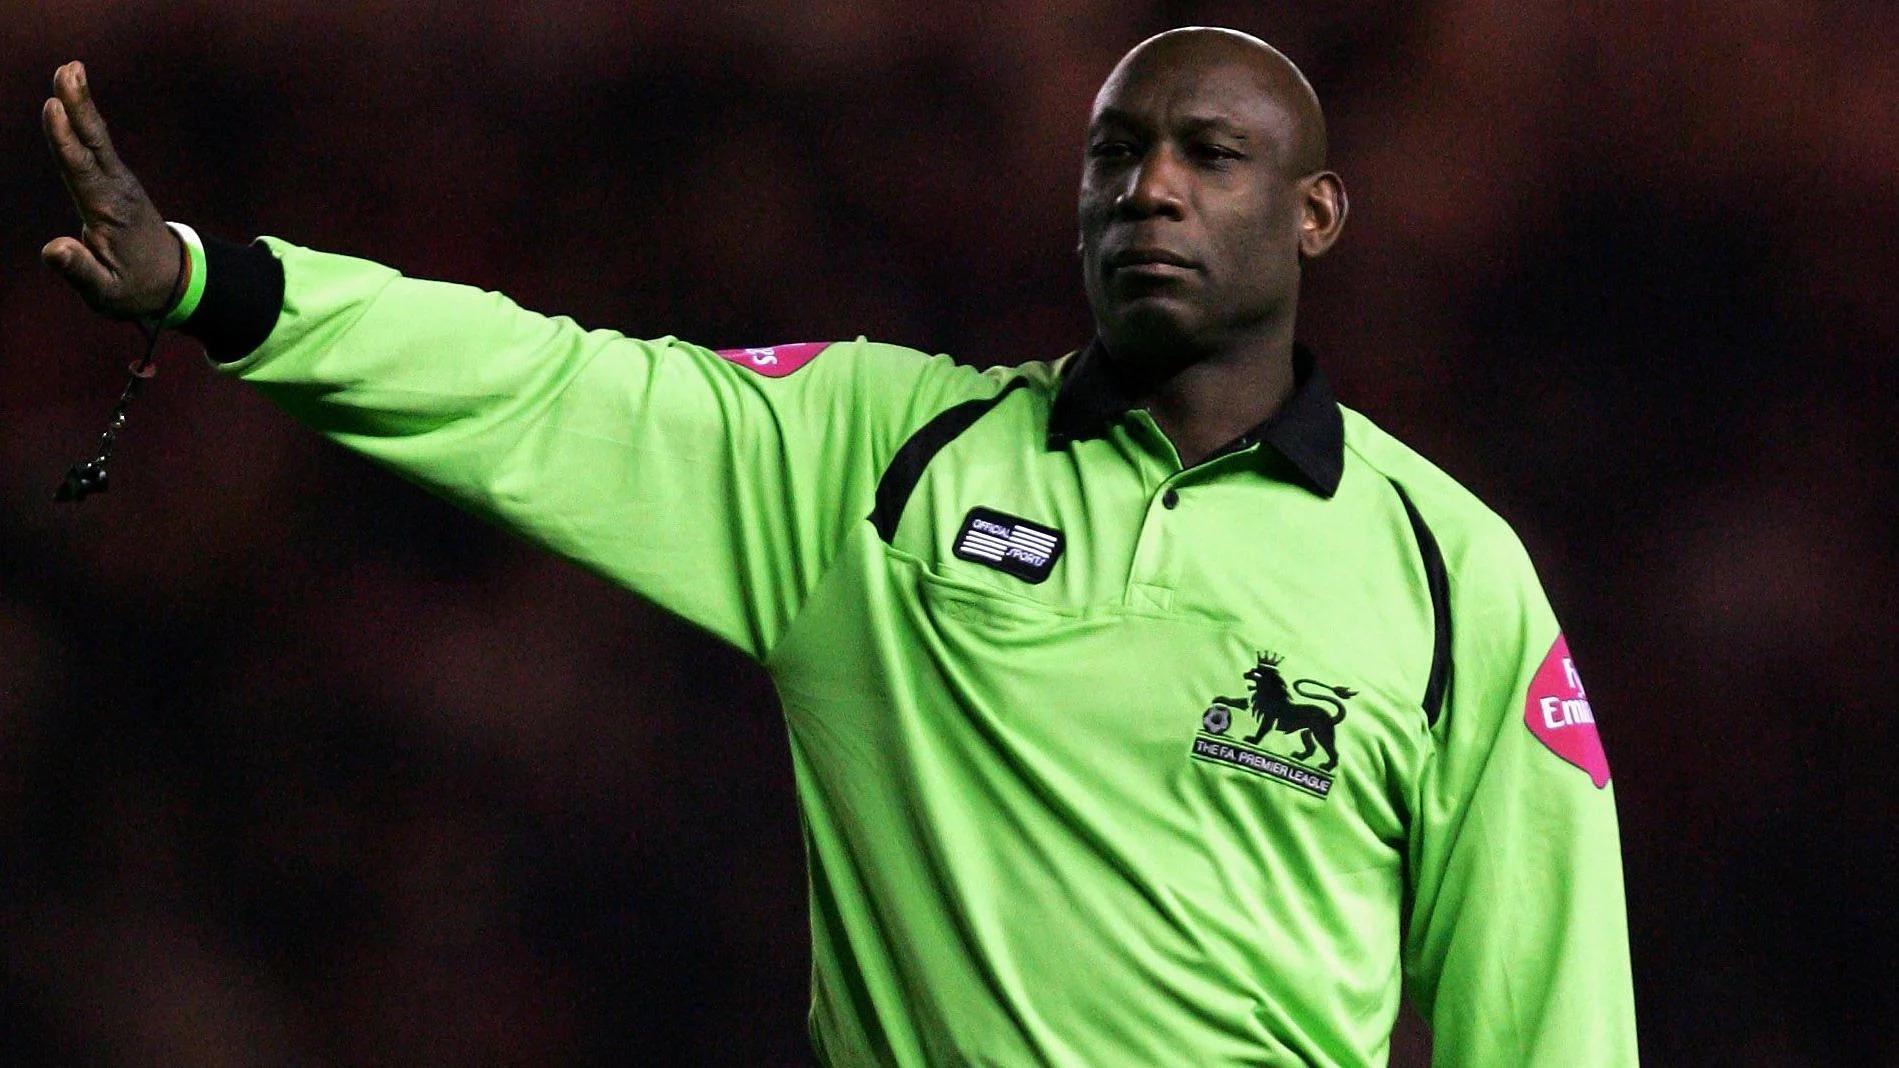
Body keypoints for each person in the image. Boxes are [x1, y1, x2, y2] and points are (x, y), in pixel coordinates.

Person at [39, 27, 1637, 1066]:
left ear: (1316, 215)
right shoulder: (879, 453)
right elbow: (543, 386)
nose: (1151, 189)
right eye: (1113, 156)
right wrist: (214, 282)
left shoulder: (1453, 574)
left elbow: (1550, 1012)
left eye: (1211, 156)